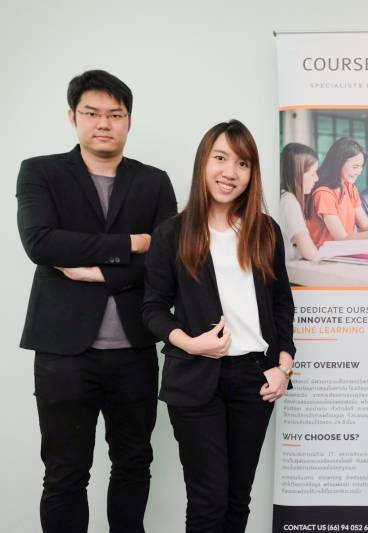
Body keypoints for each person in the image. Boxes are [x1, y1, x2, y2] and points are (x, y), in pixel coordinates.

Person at [16, 69, 177, 532]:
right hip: (64, 353)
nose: (103, 123)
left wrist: (97, 269)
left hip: (134, 351)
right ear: (73, 117)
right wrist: (132, 243)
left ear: (129, 121)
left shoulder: (153, 181)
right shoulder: (41, 172)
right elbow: (42, 243)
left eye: (115, 114)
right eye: (92, 112)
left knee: (134, 463)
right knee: (65, 472)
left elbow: (167, 261)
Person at [142, 120, 295, 533]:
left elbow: (282, 303)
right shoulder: (173, 233)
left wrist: (283, 365)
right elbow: (153, 309)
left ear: (252, 173)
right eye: (221, 159)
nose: (230, 172)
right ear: (203, 163)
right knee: (208, 502)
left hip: (254, 378)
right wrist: (191, 343)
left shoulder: (265, 231)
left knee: (237, 499)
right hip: (195, 378)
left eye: (242, 163)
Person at [279, 142, 320, 261]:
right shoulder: (288, 202)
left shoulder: (283, 197)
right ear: (297, 174)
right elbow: (310, 253)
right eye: (312, 174)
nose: (317, 178)